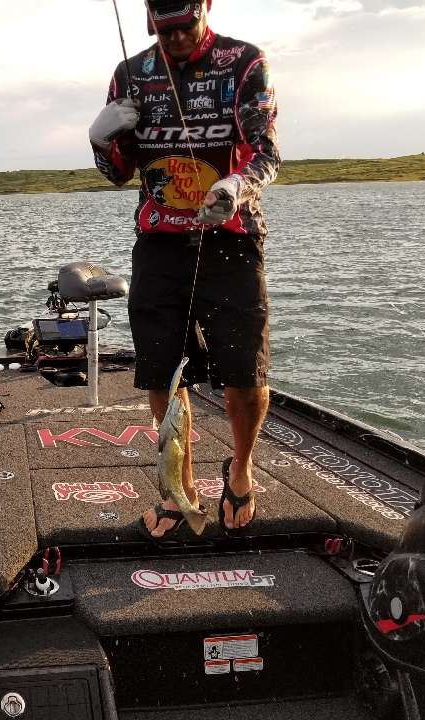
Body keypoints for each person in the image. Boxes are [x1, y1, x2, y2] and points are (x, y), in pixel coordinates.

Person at [88, 0, 280, 537]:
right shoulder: (131, 75)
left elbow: (265, 152)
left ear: (206, 8)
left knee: (245, 375)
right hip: (160, 243)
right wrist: (101, 140)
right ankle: (180, 488)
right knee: (162, 374)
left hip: (230, 238)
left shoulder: (244, 62)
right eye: (163, 28)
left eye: (183, 27)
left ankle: (239, 468)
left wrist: (236, 186)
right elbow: (117, 174)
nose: (173, 39)